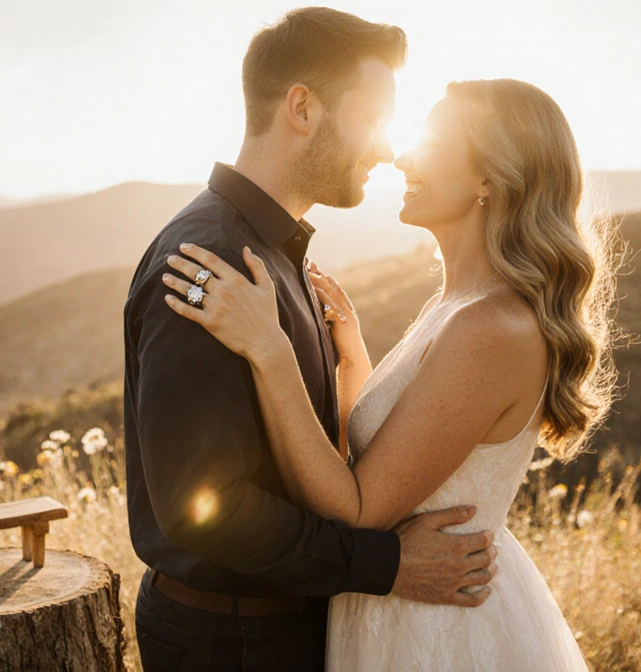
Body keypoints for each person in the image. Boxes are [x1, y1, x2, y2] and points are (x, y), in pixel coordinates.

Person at [161, 78, 617, 670]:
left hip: (439, 625)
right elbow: (389, 461)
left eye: (433, 143)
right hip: (397, 606)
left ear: (490, 178)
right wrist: (355, 362)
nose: (403, 155)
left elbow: (355, 509)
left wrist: (268, 348)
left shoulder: (491, 327)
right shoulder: (457, 304)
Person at [123, 8, 498, 672]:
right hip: (230, 645)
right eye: (373, 121)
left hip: (279, 630)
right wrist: (385, 564)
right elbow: (201, 508)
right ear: (302, 107)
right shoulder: (209, 261)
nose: (386, 149)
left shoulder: (276, 254)